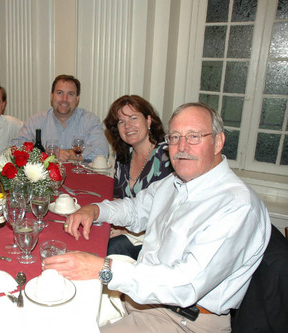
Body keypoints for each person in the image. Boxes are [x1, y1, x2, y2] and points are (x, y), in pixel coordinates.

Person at [44, 103, 271, 332]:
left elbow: (186, 284)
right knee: (54, 312)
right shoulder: (175, 183)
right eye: (175, 137)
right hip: (142, 299)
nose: (182, 147)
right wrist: (94, 209)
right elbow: (134, 209)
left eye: (194, 136)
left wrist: (102, 268)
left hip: (182, 320)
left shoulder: (236, 206)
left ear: (218, 142)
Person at [104, 95, 173, 259]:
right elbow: (118, 198)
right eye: (121, 121)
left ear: (149, 120)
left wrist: (126, 230)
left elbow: (167, 215)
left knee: (110, 248)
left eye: (133, 118)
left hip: (154, 238)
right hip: (129, 227)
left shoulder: (167, 156)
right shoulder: (123, 157)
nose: (128, 126)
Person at [13, 74, 109, 162]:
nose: (64, 99)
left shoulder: (90, 121)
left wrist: (70, 154)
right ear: (51, 96)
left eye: (70, 94)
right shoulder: (35, 121)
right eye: (59, 93)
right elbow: (16, 147)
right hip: (46, 179)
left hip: (81, 177)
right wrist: (48, 153)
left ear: (77, 98)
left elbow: (102, 152)